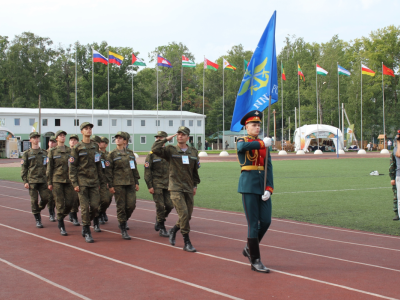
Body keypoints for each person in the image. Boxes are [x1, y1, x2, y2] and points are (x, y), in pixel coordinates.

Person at [151, 126, 200, 252]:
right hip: (175, 187)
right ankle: (187, 242)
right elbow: (155, 149)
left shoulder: (193, 152)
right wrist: (166, 139)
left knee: (187, 216)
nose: (180, 136)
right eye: (178, 134)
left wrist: (195, 185)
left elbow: (195, 172)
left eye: (183, 134)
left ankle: (173, 230)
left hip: (188, 187)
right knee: (183, 213)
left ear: (188, 137)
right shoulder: (170, 150)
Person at [237, 110, 273, 273]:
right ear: (246, 126)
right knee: (253, 224)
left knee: (265, 221)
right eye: (254, 125)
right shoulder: (242, 140)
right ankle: (255, 260)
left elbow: (269, 167)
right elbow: (243, 147)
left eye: (259, 125)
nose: (257, 127)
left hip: (262, 186)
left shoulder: (264, 144)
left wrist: (269, 188)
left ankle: (249, 248)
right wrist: (262, 144)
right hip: (249, 185)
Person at [69, 122, 105, 243]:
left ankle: (85, 225)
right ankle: (87, 230)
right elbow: (72, 167)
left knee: (95, 206)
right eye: (86, 129)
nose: (89, 130)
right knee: (84, 208)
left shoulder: (95, 146)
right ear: (82, 132)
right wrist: (75, 183)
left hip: (94, 181)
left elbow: (98, 164)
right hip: (82, 181)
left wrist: (101, 181)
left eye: (90, 128)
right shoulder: (77, 147)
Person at [105, 132, 140, 240]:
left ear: (125, 141)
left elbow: (134, 168)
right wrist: (110, 185)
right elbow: (108, 171)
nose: (118, 140)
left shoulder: (130, 153)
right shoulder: (111, 154)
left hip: (130, 183)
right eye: (116, 138)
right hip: (118, 183)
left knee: (131, 205)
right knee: (121, 206)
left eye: (120, 138)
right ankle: (123, 228)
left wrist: (136, 181)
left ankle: (123, 220)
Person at [144, 131, 174, 237]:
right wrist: (150, 185)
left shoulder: (169, 152)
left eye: (161, 138)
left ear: (165, 139)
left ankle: (159, 219)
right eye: (157, 138)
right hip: (156, 184)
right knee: (160, 206)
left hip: (168, 184)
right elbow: (147, 171)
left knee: (170, 205)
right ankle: (162, 227)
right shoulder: (151, 155)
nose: (158, 139)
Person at [21, 132, 52, 228]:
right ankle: (38, 219)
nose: (36, 139)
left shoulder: (44, 152)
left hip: (43, 180)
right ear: (30, 140)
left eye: (37, 138)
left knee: (46, 198)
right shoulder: (27, 154)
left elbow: (48, 167)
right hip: (32, 181)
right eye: (34, 138)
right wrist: (25, 181)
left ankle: (38, 209)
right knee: (34, 201)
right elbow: (24, 169)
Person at [47, 130, 75, 236]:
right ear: (57, 138)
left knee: (70, 203)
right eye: (60, 136)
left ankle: (60, 217)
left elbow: (73, 165)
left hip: (68, 180)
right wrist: (49, 182)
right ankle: (61, 224)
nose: (62, 137)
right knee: (59, 203)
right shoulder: (52, 151)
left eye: (64, 136)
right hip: (57, 180)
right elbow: (49, 168)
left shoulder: (70, 151)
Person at [98, 136, 113, 224]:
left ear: (106, 144)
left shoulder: (109, 155)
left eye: (102, 142)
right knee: (101, 199)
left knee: (108, 199)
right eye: (99, 142)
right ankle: (99, 213)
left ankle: (103, 211)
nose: (100, 143)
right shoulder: (96, 154)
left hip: (107, 181)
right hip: (99, 180)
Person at [68, 134, 80, 226]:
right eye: (71, 140)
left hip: (78, 178)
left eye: (75, 140)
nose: (73, 141)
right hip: (67, 179)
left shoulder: (79, 152)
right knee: (72, 198)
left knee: (78, 199)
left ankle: (72, 212)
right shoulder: (65, 152)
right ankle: (73, 214)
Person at [389, 130, 400, 221]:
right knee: (396, 195)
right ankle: (396, 212)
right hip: (397, 175)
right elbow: (392, 165)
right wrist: (392, 178)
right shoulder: (395, 150)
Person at [47, 136, 57, 222]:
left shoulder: (57, 152)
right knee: (50, 198)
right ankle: (51, 213)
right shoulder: (44, 153)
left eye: (54, 142)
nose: (52, 143)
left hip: (57, 178)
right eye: (50, 141)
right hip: (47, 179)